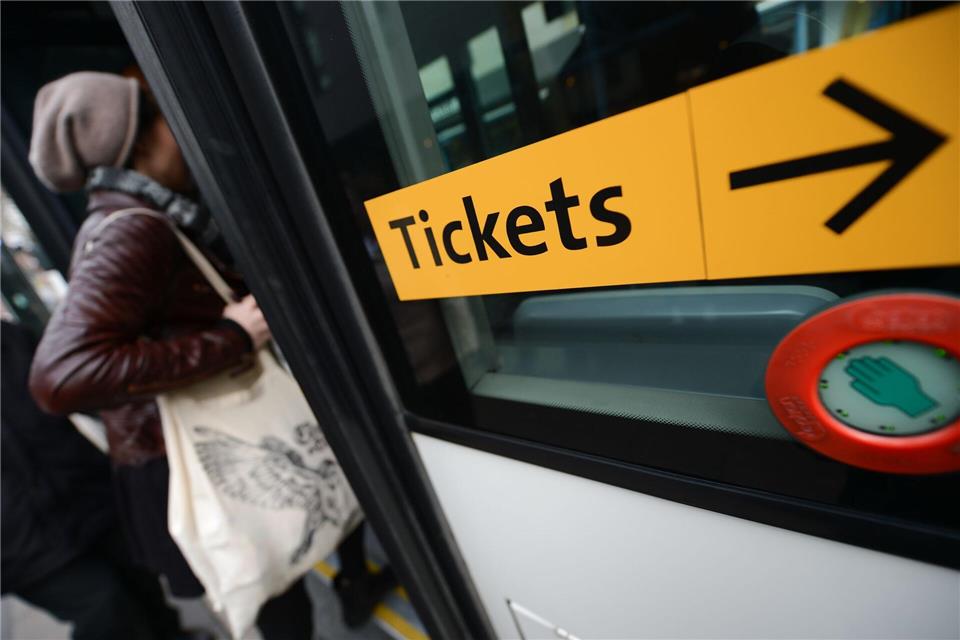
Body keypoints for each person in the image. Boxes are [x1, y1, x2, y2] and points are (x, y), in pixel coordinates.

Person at [26, 71, 392, 639]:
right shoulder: (133, 232)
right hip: (186, 451)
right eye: (167, 120)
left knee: (281, 575)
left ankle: (351, 586)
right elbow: (60, 376)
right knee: (275, 590)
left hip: (175, 446)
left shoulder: (136, 216)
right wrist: (231, 339)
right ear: (140, 140)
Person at [2, 320, 188, 640]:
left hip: (87, 494)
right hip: (18, 538)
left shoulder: (10, 337)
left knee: (143, 583)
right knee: (104, 606)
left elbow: (72, 386)